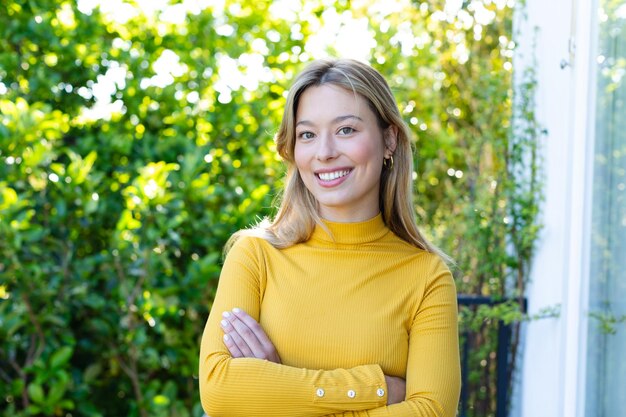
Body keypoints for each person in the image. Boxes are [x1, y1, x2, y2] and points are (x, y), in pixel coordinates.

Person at [199, 58, 461, 417]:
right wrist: (378, 388)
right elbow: (219, 390)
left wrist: (277, 390)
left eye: (346, 130)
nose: (324, 152)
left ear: (389, 139)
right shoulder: (255, 256)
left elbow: (431, 411)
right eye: (307, 134)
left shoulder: (427, 277)